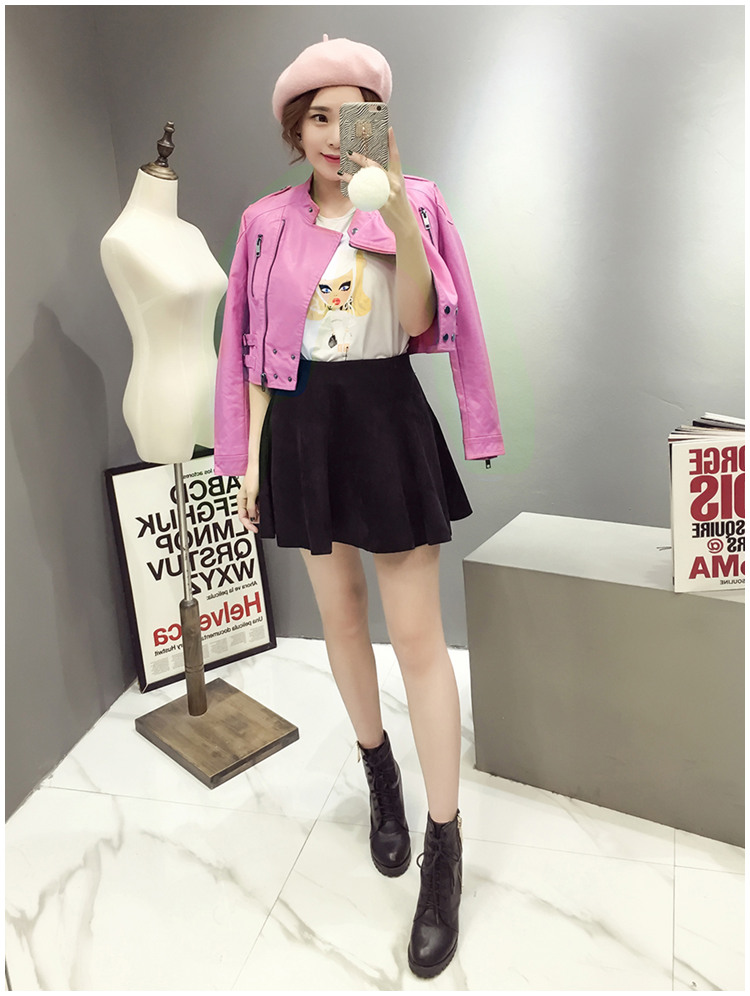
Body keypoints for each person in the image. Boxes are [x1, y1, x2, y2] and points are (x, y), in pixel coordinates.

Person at [213, 35, 503, 979]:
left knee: (417, 637)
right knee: (340, 617)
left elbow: (419, 320)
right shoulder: (264, 222)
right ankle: (379, 770)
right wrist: (248, 461)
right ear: (294, 131)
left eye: (357, 116)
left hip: (383, 417)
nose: (338, 135)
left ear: (382, 122)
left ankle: (443, 844)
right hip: (300, 428)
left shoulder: (415, 201)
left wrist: (399, 208)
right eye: (319, 118)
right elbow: (249, 348)